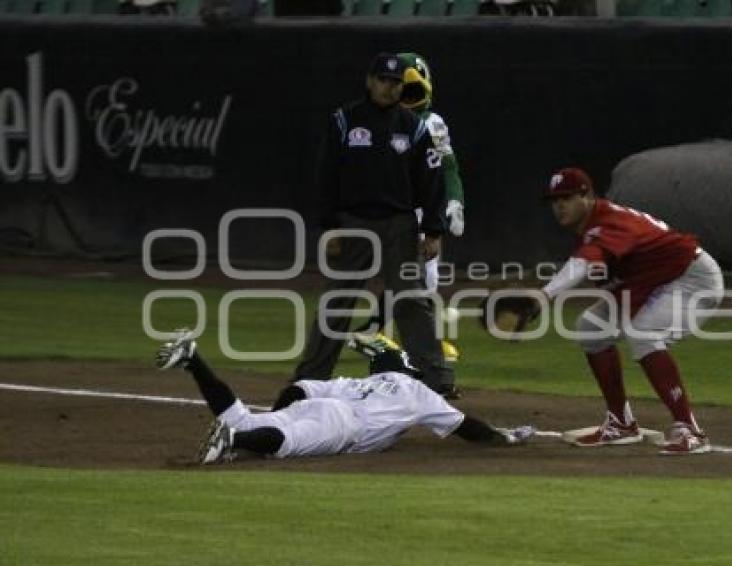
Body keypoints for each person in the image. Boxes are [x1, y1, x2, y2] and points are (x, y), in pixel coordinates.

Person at [289, 52, 456, 403]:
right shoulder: (344, 121)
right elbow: (326, 175)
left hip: (399, 224)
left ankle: (437, 377)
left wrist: (434, 230)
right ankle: (310, 378)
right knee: (338, 300)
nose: (388, 87)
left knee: (411, 300)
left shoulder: (413, 126)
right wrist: (329, 226)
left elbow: (432, 179)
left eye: (395, 82)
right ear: (369, 81)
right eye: (382, 80)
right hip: (353, 223)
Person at [539, 167, 724, 455]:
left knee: (644, 331)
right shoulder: (591, 227)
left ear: (586, 195)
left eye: (566, 198)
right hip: (651, 284)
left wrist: (544, 295)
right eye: (554, 200)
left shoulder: (611, 222)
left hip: (690, 279)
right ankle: (621, 423)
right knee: (591, 328)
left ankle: (689, 429)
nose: (559, 206)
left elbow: (583, 265)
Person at [155, 330, 534, 464]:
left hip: (316, 404)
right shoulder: (417, 390)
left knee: (250, 421)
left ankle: (193, 360)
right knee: (284, 445)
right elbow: (467, 427)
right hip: (344, 424)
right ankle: (233, 440)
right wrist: (504, 436)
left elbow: (297, 389)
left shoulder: (356, 381)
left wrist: (276, 416)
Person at [352, 52, 466, 363]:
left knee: (422, 276)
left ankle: (377, 332)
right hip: (396, 208)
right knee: (415, 275)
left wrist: (455, 202)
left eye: (411, 90)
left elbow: (449, 167)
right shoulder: (376, 123)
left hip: (423, 207)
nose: (405, 97)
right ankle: (384, 334)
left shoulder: (433, 123)